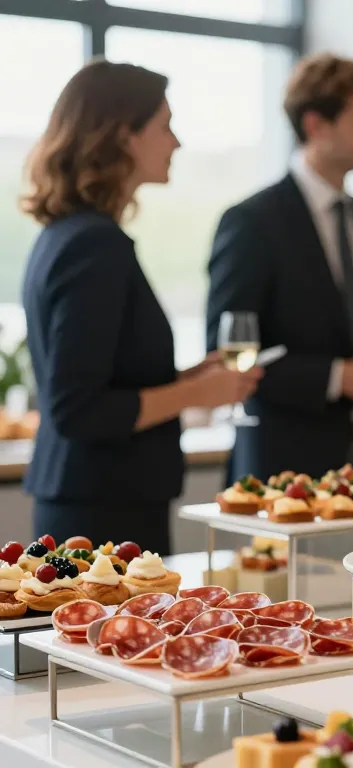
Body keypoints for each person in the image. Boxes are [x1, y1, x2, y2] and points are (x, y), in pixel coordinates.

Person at [20, 60, 262, 553]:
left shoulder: (68, 235)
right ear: (124, 136)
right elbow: (78, 410)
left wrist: (189, 378)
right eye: (165, 125)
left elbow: (102, 380)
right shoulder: (94, 245)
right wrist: (196, 394)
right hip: (101, 511)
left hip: (95, 498)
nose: (176, 142)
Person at [206, 54, 353, 481]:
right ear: (316, 126)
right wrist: (340, 378)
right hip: (288, 469)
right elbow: (227, 357)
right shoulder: (252, 222)